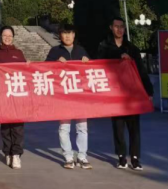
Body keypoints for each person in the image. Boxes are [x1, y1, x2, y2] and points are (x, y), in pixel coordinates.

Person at [97, 16, 154, 171]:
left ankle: (135, 158)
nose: (119, 29)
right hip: (114, 94)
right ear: (111, 28)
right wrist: (118, 56)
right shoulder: (104, 46)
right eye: (116, 26)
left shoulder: (131, 48)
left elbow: (141, 71)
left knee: (134, 127)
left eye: (122, 26)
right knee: (118, 127)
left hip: (131, 94)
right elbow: (100, 62)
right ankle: (121, 157)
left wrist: (149, 90)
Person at [46, 24, 91, 170]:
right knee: (64, 128)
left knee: (82, 128)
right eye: (64, 33)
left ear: (74, 35)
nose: (67, 36)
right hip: (63, 97)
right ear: (60, 35)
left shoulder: (81, 50)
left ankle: (82, 157)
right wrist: (55, 63)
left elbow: (92, 71)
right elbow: (44, 69)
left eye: (70, 33)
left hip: (80, 96)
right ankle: (68, 157)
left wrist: (88, 62)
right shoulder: (54, 51)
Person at [0, 26, 26, 169]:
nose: (7, 38)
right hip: (3, 95)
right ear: (0, 37)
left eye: (10, 35)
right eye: (5, 35)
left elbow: (26, 71)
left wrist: (28, 65)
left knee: (18, 127)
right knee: (5, 127)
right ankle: (7, 152)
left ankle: (16, 154)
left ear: (13, 37)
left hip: (18, 95)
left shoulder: (19, 53)